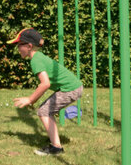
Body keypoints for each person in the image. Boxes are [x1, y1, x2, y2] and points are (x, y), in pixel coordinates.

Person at [10, 28, 83, 156]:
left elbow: (45, 84)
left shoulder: (36, 60)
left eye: (19, 45)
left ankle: (56, 147)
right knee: (45, 110)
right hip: (71, 87)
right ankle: (54, 140)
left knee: (44, 111)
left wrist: (30, 99)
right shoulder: (38, 57)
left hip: (70, 89)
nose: (17, 48)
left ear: (29, 46)